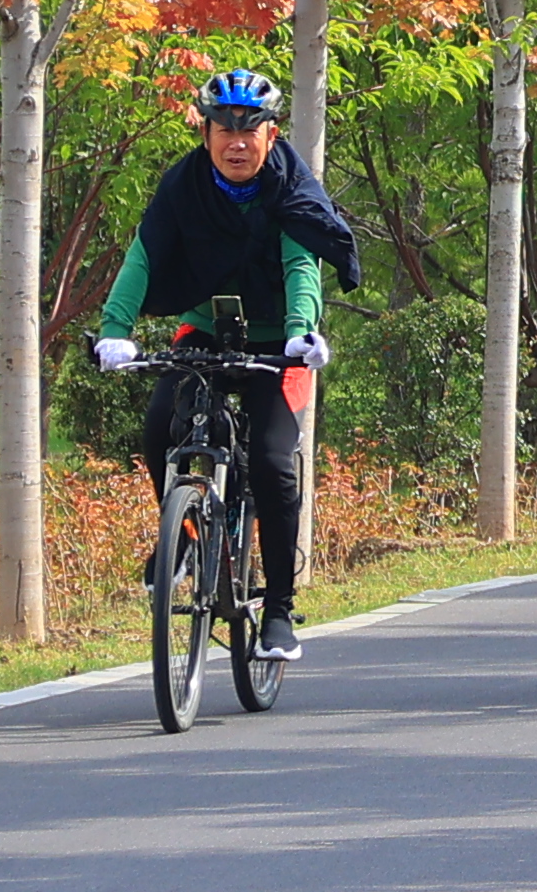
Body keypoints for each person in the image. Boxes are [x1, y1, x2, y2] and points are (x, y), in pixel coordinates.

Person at [91, 70, 361, 664]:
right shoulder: (183, 185)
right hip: (206, 331)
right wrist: (115, 332)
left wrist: (301, 334)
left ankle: (281, 612)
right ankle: (186, 536)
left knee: (270, 462)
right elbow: (144, 255)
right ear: (206, 132)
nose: (237, 143)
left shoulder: (290, 186)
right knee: (161, 425)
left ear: (270, 134)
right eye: (224, 131)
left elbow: (302, 266)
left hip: (278, 345)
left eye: (250, 131)